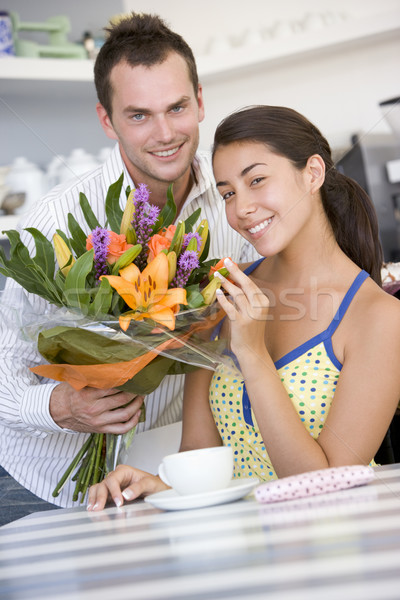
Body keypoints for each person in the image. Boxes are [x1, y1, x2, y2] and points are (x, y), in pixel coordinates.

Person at [0, 13, 258, 523]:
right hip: (42, 485)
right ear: (106, 119)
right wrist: (61, 407)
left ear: (200, 101)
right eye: (138, 115)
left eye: (177, 108)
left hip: (163, 479)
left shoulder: (238, 209)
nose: (165, 134)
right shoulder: (58, 219)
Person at [87, 105, 400, 510]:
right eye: (228, 193)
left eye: (257, 180)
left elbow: (327, 489)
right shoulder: (221, 293)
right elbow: (202, 458)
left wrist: (251, 352)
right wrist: (155, 487)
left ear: (313, 173)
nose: (242, 209)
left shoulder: (379, 318)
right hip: (246, 550)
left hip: (341, 552)